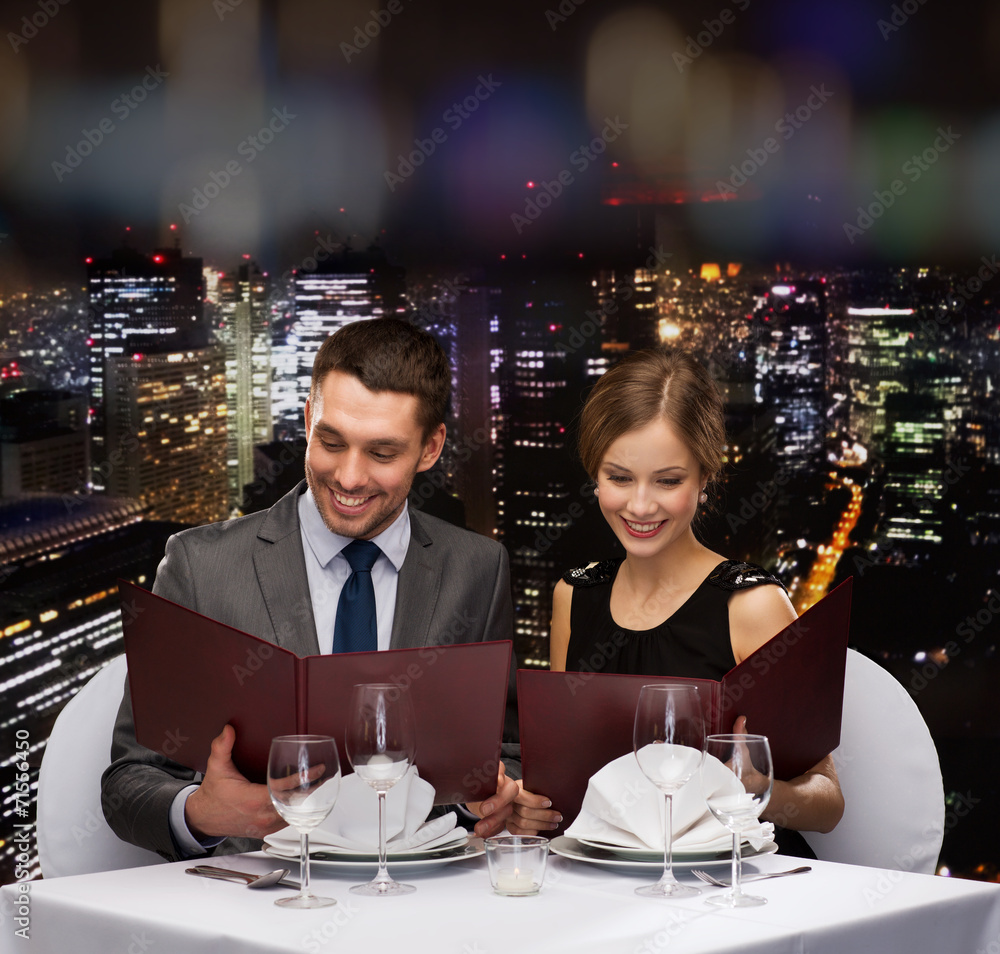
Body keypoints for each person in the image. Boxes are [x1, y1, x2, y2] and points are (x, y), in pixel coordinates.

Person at [102, 318, 521, 861]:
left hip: (421, 902)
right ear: (307, 420)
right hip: (258, 911)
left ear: (431, 448)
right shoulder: (200, 567)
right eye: (331, 441)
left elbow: (504, 750)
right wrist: (200, 812)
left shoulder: (478, 568)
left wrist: (489, 798)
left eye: (382, 453)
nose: (349, 477)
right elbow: (128, 781)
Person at [509, 347, 844, 845]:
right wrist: (531, 809)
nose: (640, 505)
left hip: (729, 884)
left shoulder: (751, 605)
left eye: (668, 481)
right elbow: (567, 781)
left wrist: (761, 792)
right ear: (594, 475)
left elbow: (829, 802)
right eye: (619, 477)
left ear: (705, 478)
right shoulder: (573, 595)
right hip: (605, 883)